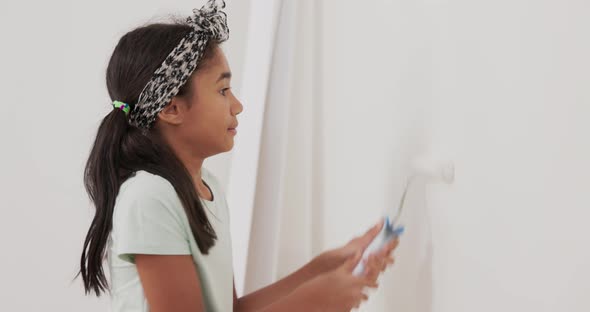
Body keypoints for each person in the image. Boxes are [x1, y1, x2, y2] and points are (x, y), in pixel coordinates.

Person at [77, 0, 400, 311]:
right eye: (222, 90)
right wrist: (316, 301)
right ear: (172, 108)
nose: (237, 105)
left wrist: (325, 269)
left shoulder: (207, 190)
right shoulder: (149, 198)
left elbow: (231, 309)